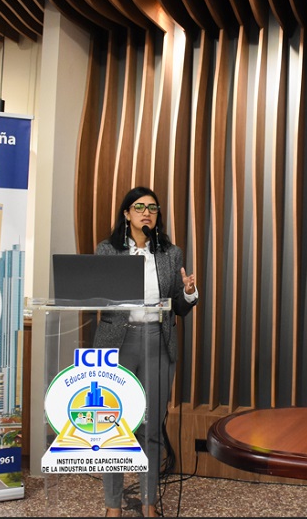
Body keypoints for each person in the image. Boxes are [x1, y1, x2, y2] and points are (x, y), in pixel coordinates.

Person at [94, 186, 198, 517]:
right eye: (138, 207)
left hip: (157, 340)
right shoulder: (107, 251)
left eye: (152, 208)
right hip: (117, 344)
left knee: (151, 426)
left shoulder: (171, 254)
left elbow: (178, 308)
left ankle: (149, 502)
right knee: (113, 426)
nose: (146, 213)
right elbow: (96, 297)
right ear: (126, 214)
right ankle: (113, 505)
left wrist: (189, 292)